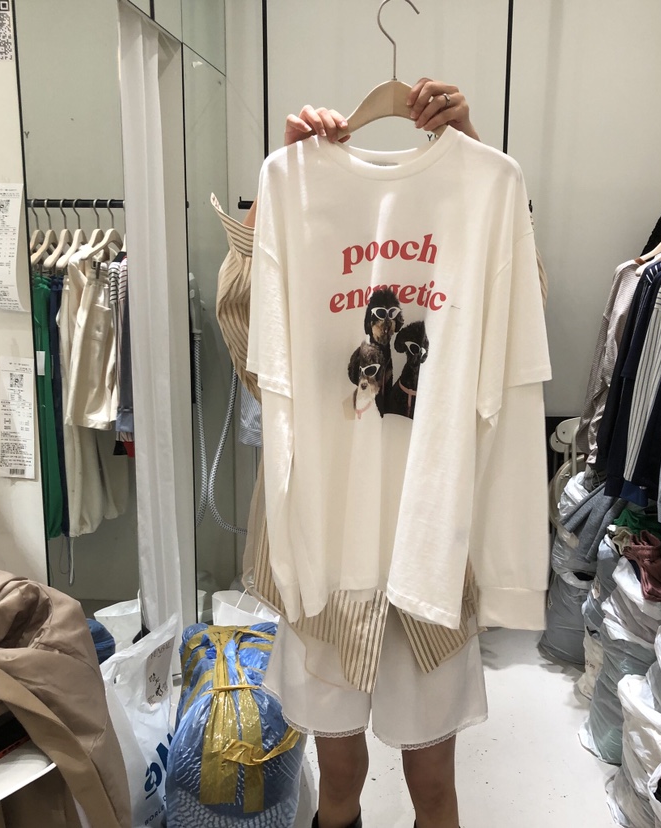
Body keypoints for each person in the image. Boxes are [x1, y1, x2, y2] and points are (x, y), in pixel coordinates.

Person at [242, 80, 481, 828]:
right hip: (328, 535)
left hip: (426, 542)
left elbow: (511, 334)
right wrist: (279, 205)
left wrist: (474, 158)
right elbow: (253, 352)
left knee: (433, 782)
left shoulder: (475, 193)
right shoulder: (295, 194)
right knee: (339, 774)